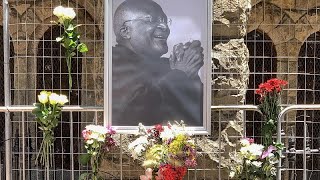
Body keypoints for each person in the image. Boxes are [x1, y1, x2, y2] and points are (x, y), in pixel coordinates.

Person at [112, 0, 204, 126]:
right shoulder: (113, 63)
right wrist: (180, 74)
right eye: (150, 20)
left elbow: (198, 115)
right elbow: (131, 116)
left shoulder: (168, 65)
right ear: (125, 31)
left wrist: (191, 72)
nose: (164, 27)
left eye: (165, 21)